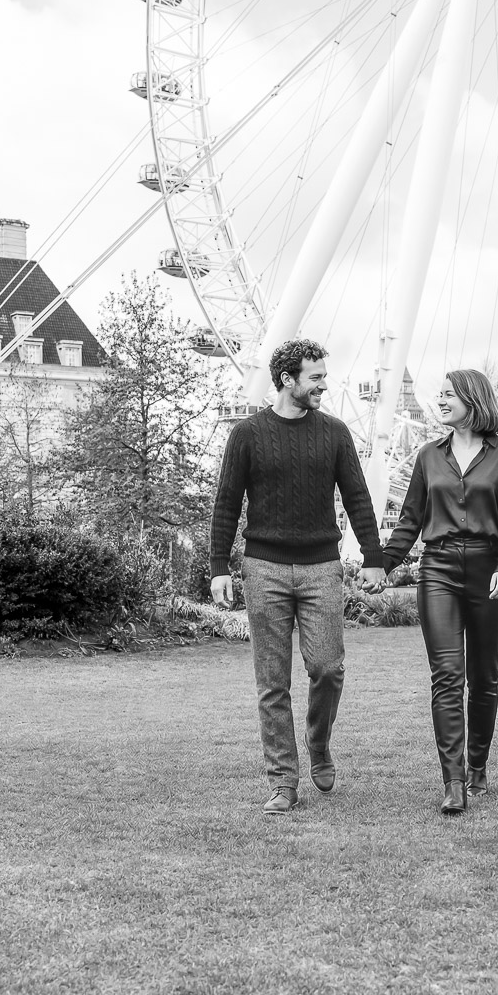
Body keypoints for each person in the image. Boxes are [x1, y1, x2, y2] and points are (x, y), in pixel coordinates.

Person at [210, 339, 386, 816]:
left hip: (321, 567)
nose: (324, 385)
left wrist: (373, 556)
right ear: (288, 379)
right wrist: (218, 567)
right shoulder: (247, 434)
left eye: (324, 376)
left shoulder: (334, 433)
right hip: (263, 566)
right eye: (316, 377)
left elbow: (357, 497)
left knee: (328, 668)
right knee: (272, 681)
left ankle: (319, 743)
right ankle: (284, 781)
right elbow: (227, 503)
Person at [375, 369, 498, 815]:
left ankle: (478, 766)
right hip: (437, 568)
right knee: (446, 676)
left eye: (448, 395)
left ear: (472, 399)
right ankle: (454, 781)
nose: (439, 401)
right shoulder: (427, 456)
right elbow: (409, 520)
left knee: (483, 677)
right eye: (437, 394)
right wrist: (380, 564)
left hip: (488, 572)